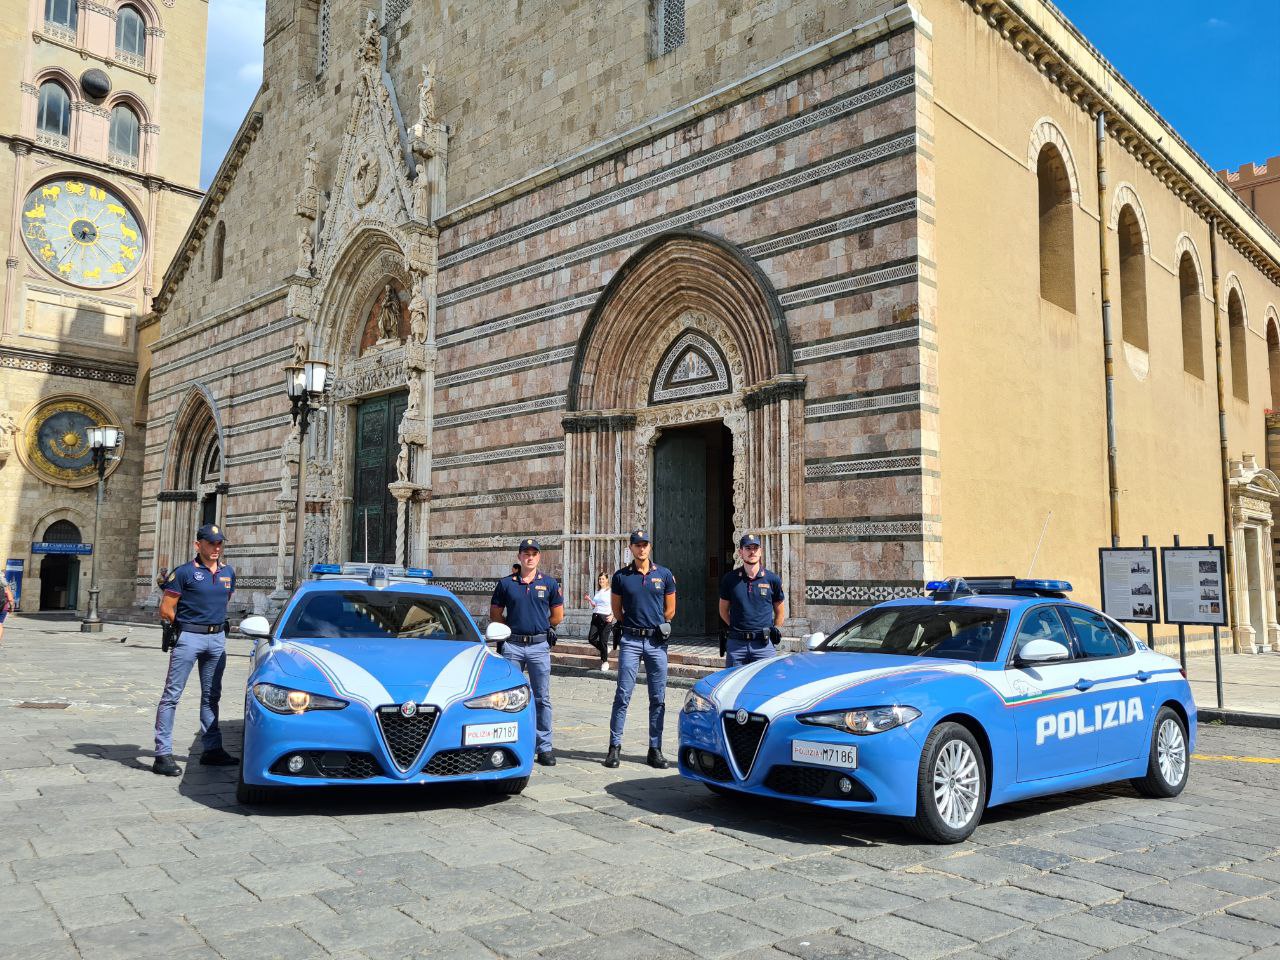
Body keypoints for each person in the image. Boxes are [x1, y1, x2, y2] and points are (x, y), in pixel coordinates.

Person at [152, 524, 238, 777]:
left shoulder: (228, 572)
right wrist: (184, 630)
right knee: (172, 695)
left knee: (212, 696)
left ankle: (212, 750)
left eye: (220, 543)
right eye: (211, 543)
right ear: (198, 545)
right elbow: (166, 608)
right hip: (189, 637)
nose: (216, 548)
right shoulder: (184, 573)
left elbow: (224, 601)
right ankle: (162, 754)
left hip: (217, 638)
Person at [604, 529, 676, 769]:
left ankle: (655, 749)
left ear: (650, 547)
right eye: (637, 545)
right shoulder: (621, 576)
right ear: (631, 548)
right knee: (623, 694)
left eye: (645, 544)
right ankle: (614, 747)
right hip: (631, 642)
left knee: (658, 697)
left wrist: (655, 625)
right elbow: (617, 610)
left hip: (656, 643)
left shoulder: (664, 574)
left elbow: (670, 610)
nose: (641, 548)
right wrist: (632, 625)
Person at [490, 538, 563, 766]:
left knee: (542, 698)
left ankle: (544, 747)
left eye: (534, 553)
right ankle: (510, 744)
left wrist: (540, 628)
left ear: (539, 557)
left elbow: (557, 616)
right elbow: (495, 613)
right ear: (519, 556)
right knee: (506, 697)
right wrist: (510, 629)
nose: (529, 557)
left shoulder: (549, 584)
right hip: (513, 645)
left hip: (539, 646)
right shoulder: (506, 584)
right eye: (526, 553)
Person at [718, 533, 786, 667]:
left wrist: (774, 629)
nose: (752, 551)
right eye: (748, 548)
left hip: (763, 645)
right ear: (740, 552)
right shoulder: (730, 579)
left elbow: (780, 611)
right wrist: (738, 627)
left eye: (755, 548)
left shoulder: (772, 579)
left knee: (765, 684)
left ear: (761, 551)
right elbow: (723, 610)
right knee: (734, 685)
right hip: (737, 646)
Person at [584, 572, 613, 668]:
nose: (601, 580)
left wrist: (612, 615)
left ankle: (605, 662)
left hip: (606, 618)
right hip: (596, 616)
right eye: (600, 579)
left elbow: (616, 604)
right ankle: (604, 649)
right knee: (591, 638)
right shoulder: (598, 591)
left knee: (603, 640)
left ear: (607, 580)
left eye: (603, 579)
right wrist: (589, 600)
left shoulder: (610, 591)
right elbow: (595, 604)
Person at [0, 572, 15, 644]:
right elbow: (11, 599)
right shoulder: (6, 587)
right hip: (3, 608)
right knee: (0, 624)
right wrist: (11, 608)